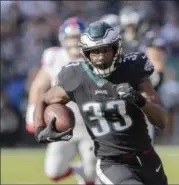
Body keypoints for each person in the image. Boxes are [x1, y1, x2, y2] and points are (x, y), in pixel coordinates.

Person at [34, 21, 168, 185]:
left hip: (147, 157)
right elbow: (43, 98)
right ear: (85, 54)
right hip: (111, 162)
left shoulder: (133, 69)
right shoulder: (75, 76)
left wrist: (138, 99)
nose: (101, 57)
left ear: (116, 49)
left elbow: (161, 121)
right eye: (94, 52)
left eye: (106, 50)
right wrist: (40, 128)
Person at [26, 17, 96, 185]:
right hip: (62, 123)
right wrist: (32, 113)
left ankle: (87, 174)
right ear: (63, 40)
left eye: (77, 38)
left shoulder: (95, 57)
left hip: (91, 125)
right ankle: (78, 171)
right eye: (70, 38)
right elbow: (39, 86)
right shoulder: (54, 56)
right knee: (54, 172)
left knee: (91, 174)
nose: (74, 43)